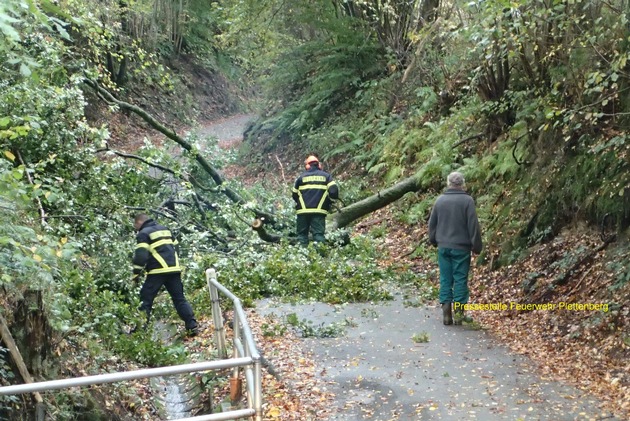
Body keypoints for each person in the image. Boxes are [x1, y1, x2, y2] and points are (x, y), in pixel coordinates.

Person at [428, 172, 483, 325]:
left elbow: (432, 224)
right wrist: (476, 246)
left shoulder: (440, 201)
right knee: (460, 279)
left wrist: (433, 240)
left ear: (448, 183)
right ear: (462, 184)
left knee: (445, 278)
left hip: (443, 246)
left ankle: (446, 311)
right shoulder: (467, 201)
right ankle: (459, 314)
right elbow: (473, 226)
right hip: (461, 248)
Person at [132, 213, 199, 336]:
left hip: (157, 272)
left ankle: (140, 331)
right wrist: (173, 262)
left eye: (135, 225)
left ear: (139, 222)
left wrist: (136, 273)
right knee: (179, 299)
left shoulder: (144, 234)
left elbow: (141, 256)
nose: (135, 228)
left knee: (145, 300)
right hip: (174, 269)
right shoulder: (165, 229)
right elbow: (177, 247)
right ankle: (192, 325)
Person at [292, 155, 339, 246]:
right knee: (318, 234)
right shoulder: (326, 177)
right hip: (319, 211)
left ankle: (302, 256)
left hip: (302, 211)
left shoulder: (301, 178)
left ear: (307, 166)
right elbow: (334, 191)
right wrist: (329, 200)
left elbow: (294, 195)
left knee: (302, 235)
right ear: (319, 165)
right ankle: (320, 256)